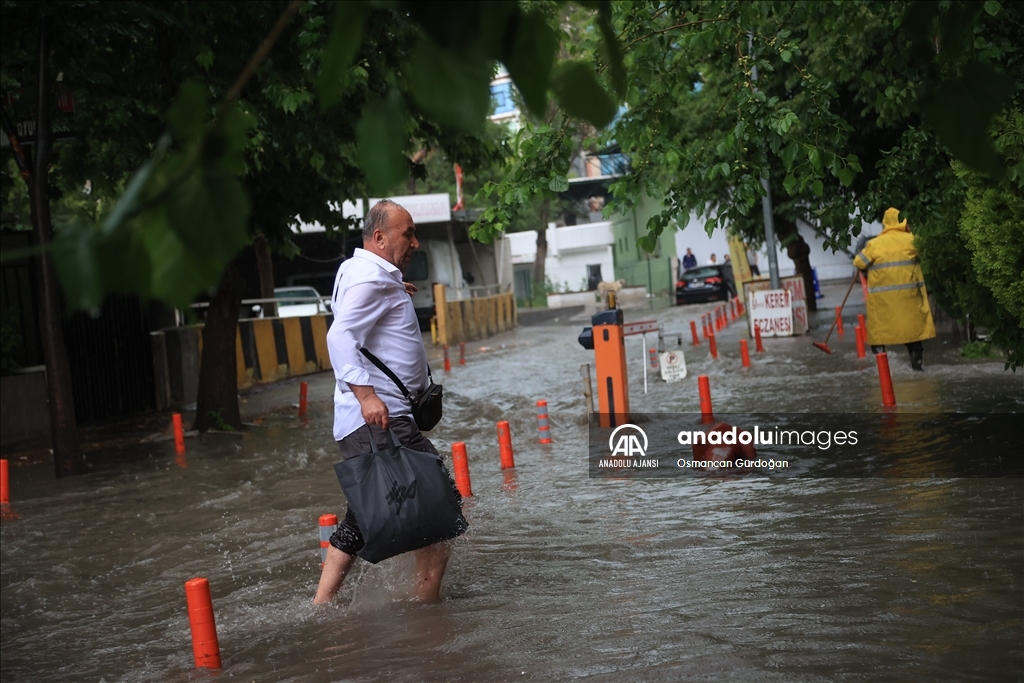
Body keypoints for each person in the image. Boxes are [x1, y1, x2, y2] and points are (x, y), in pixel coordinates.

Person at [314, 199, 465, 604]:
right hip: (380, 419)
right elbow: (339, 338)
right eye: (408, 233)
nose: (415, 242)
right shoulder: (371, 280)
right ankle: (426, 610)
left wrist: (392, 290)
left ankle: (322, 608)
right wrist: (366, 396)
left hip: (377, 422)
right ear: (379, 238)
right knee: (440, 508)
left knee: (364, 515)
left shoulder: (362, 272)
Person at [853, 207, 935, 371]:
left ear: (885, 223)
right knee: (912, 334)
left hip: (883, 303)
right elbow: (928, 253)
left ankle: (882, 371)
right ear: (903, 220)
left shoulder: (874, 244)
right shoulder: (912, 240)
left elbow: (859, 262)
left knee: (879, 336)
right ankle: (917, 368)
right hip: (909, 300)